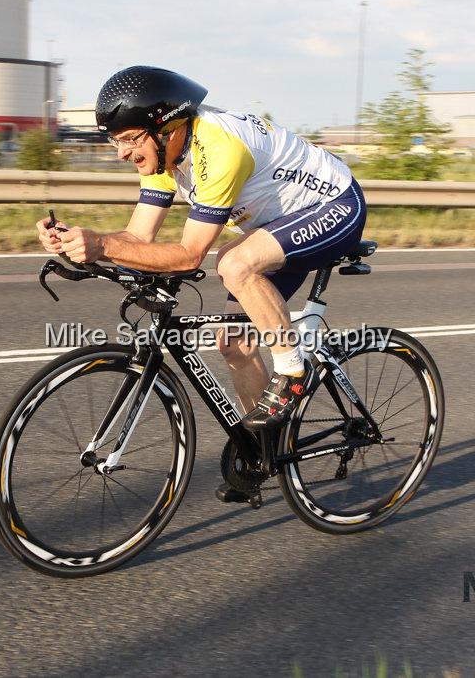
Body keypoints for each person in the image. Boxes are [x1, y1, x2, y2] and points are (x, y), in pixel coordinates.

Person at [37, 66, 367, 500]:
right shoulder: (162, 154)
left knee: (234, 263)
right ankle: (264, 451)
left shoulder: (218, 146)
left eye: (130, 139)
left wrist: (101, 246)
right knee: (234, 342)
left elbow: (191, 254)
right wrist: (78, 243)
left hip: (336, 207)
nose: (122, 153)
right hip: (277, 224)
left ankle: (293, 371)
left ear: (168, 127)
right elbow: (137, 239)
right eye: (115, 141)